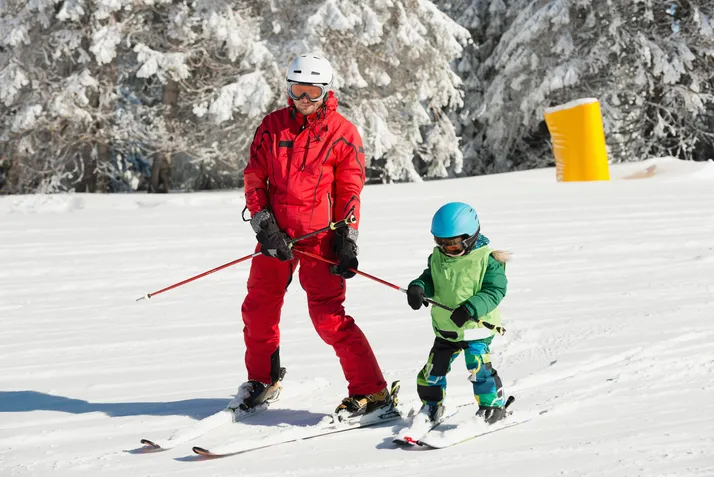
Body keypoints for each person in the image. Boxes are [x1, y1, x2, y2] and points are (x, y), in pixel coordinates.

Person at [232, 54, 389, 417]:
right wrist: (264, 224)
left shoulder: (342, 132)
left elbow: (350, 188)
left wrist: (346, 238)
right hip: (276, 238)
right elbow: (254, 177)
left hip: (321, 238)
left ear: (326, 91)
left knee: (328, 318)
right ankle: (262, 379)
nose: (304, 99)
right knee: (258, 310)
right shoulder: (272, 126)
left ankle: (372, 391)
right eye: (297, 90)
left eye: (312, 91)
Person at [406, 202, 510, 425]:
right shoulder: (438, 257)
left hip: (476, 330)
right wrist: (419, 287)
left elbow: (495, 291)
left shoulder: (488, 259)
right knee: (432, 371)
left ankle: (492, 406)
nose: (446, 250)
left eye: (452, 246)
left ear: (471, 237)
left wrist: (471, 308)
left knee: (479, 369)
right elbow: (431, 277)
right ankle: (431, 407)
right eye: (440, 243)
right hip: (447, 330)